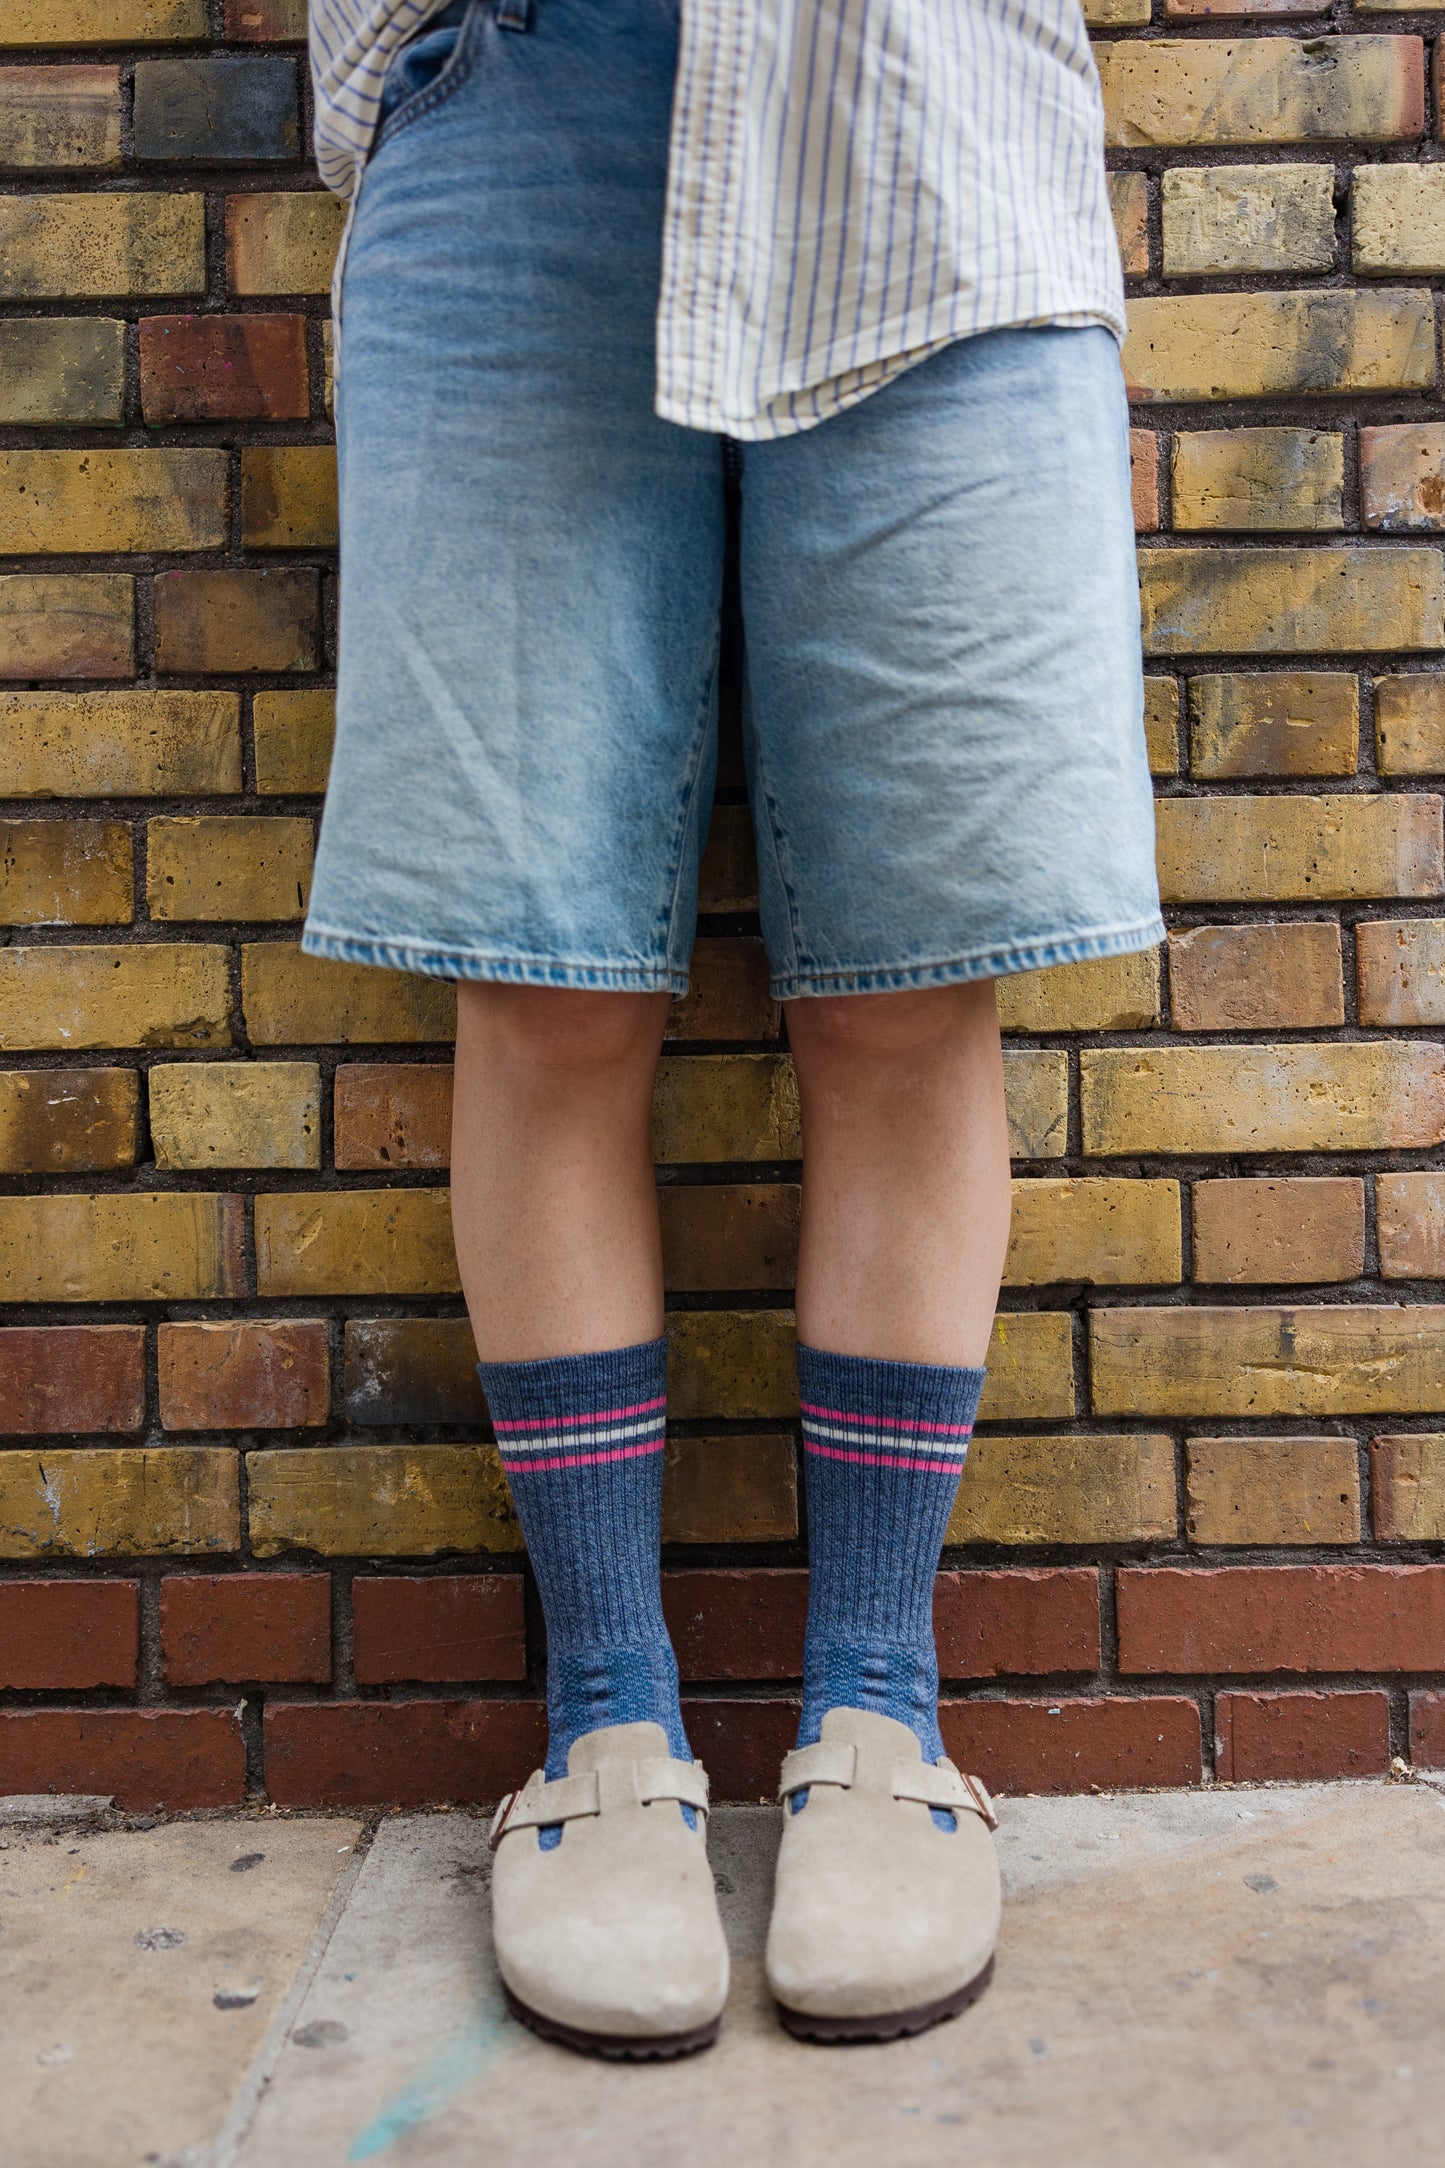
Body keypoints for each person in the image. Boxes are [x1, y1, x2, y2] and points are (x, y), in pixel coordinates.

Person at [305, 0, 1163, 2059]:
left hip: (925, 99)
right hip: (523, 88)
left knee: (907, 989)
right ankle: (606, 1715)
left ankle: (881, 1700)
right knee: (546, 990)